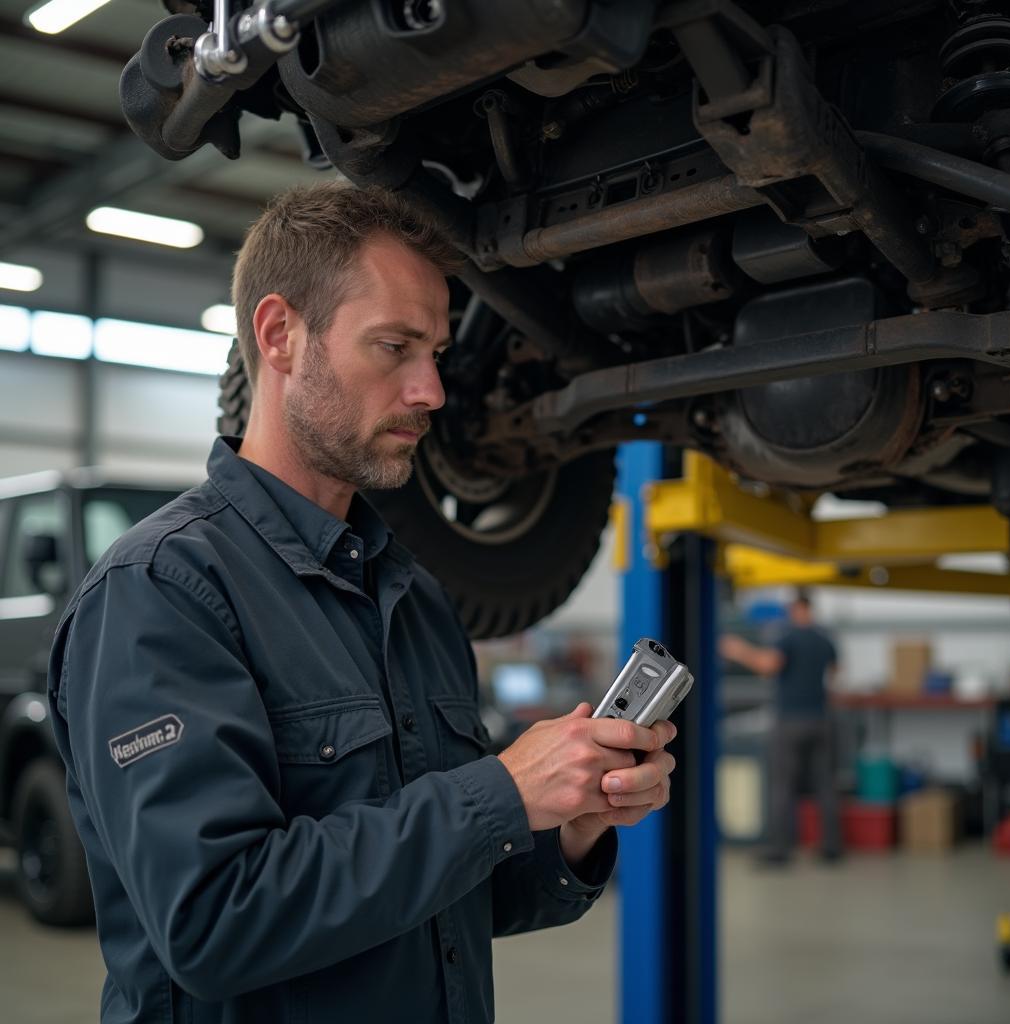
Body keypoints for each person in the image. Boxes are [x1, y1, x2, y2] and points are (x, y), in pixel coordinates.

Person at [46, 182, 676, 1023]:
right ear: (280, 336)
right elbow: (210, 925)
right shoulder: (161, 592)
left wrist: (568, 823)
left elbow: (452, 905)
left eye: (437, 354)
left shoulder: (412, 598)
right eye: (394, 347)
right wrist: (498, 793)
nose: (432, 392)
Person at [719, 592, 842, 864]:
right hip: (821, 719)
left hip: (790, 721)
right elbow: (834, 672)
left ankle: (779, 850)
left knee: (783, 785)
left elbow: (768, 666)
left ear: (796, 609)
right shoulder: (825, 639)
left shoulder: (789, 638)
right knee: (824, 784)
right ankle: (831, 847)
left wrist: (738, 650)